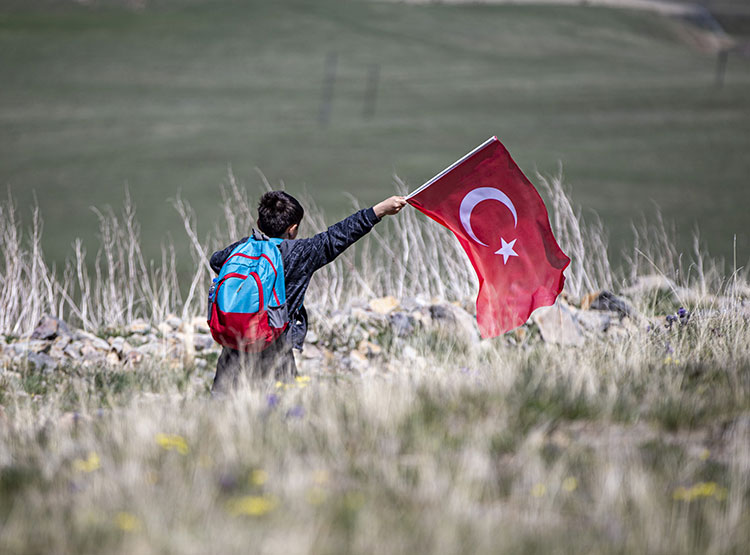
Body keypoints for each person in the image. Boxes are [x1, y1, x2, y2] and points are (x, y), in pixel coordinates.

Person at [209, 191, 406, 393]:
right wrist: (380, 210)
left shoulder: (243, 248)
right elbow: (337, 237)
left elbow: (216, 260)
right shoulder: (300, 253)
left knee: (223, 408)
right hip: (275, 348)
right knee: (283, 410)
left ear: (259, 223)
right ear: (292, 230)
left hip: (234, 344)